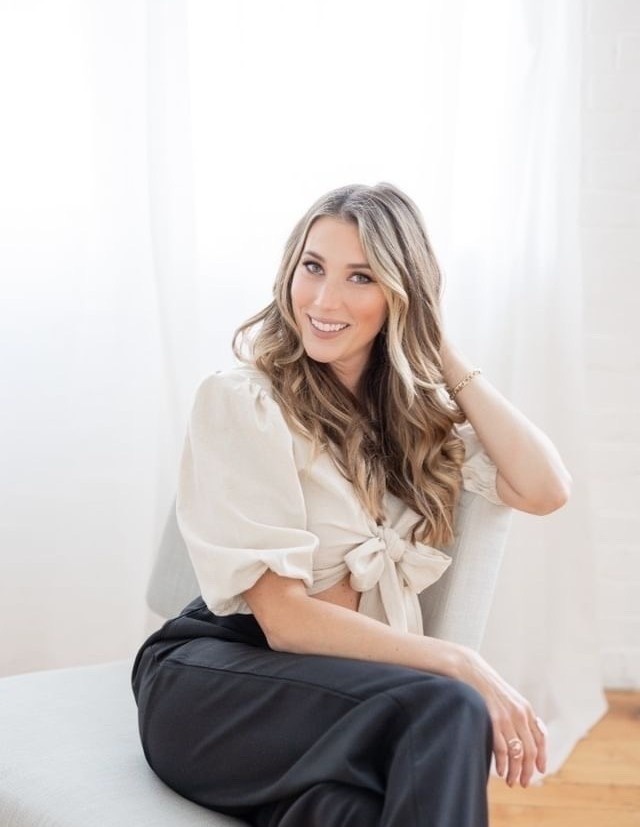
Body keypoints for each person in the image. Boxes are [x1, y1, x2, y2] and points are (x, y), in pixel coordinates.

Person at [131, 182, 571, 827]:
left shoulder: (419, 425)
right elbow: (284, 620)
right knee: (450, 705)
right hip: (218, 682)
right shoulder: (245, 401)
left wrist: (439, 349)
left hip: (342, 695)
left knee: (350, 813)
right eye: (313, 267)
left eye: (361, 277)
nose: (323, 300)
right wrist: (460, 662)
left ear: (401, 295)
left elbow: (545, 488)